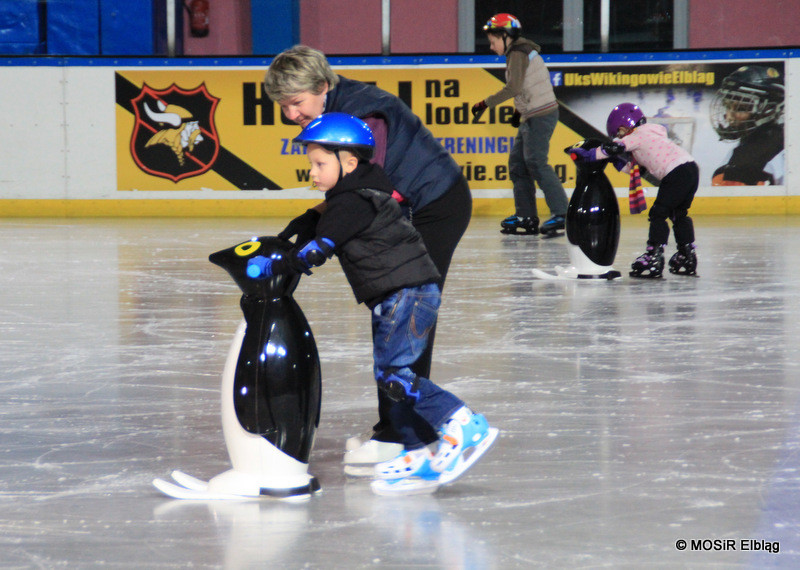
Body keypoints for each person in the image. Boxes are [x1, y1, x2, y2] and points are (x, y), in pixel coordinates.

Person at [245, 113, 498, 495]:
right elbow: (330, 223)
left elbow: (321, 249)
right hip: (400, 293)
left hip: (406, 294)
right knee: (390, 377)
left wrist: (279, 261)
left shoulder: (353, 201)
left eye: (319, 164)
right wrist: (304, 224)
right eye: (310, 164)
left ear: (349, 163)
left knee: (396, 375)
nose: (312, 173)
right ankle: (414, 450)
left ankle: (461, 422)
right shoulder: (360, 194)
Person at [263, 45, 473, 474]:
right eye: (283, 107)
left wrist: (320, 235)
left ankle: (403, 435)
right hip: (408, 204)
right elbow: (353, 194)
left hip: (435, 205)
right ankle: (397, 428)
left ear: (323, 87)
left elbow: (364, 193)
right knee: (392, 311)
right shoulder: (336, 113)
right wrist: (312, 219)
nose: (290, 116)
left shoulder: (364, 117)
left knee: (405, 314)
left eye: (296, 103)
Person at [572, 103, 699, 278]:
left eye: (619, 134)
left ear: (624, 128)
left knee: (658, 213)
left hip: (676, 173)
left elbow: (613, 148)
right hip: (690, 169)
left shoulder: (639, 134)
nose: (619, 137)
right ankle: (687, 254)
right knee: (679, 214)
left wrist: (589, 155)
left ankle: (654, 255)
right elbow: (637, 169)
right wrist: (616, 162)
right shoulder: (650, 136)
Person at [472, 13, 569, 237]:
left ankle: (562, 213)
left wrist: (484, 104)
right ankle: (526, 216)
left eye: (493, 41)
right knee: (517, 164)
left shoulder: (517, 52)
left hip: (541, 114)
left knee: (535, 161)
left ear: (506, 37)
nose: (491, 46)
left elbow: (514, 88)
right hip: (532, 115)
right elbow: (526, 87)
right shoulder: (519, 52)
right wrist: (519, 112)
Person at [710, 65, 785, 186]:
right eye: (727, 105)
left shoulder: (750, 159)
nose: (729, 116)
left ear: (769, 109)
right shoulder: (776, 141)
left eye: (741, 108)